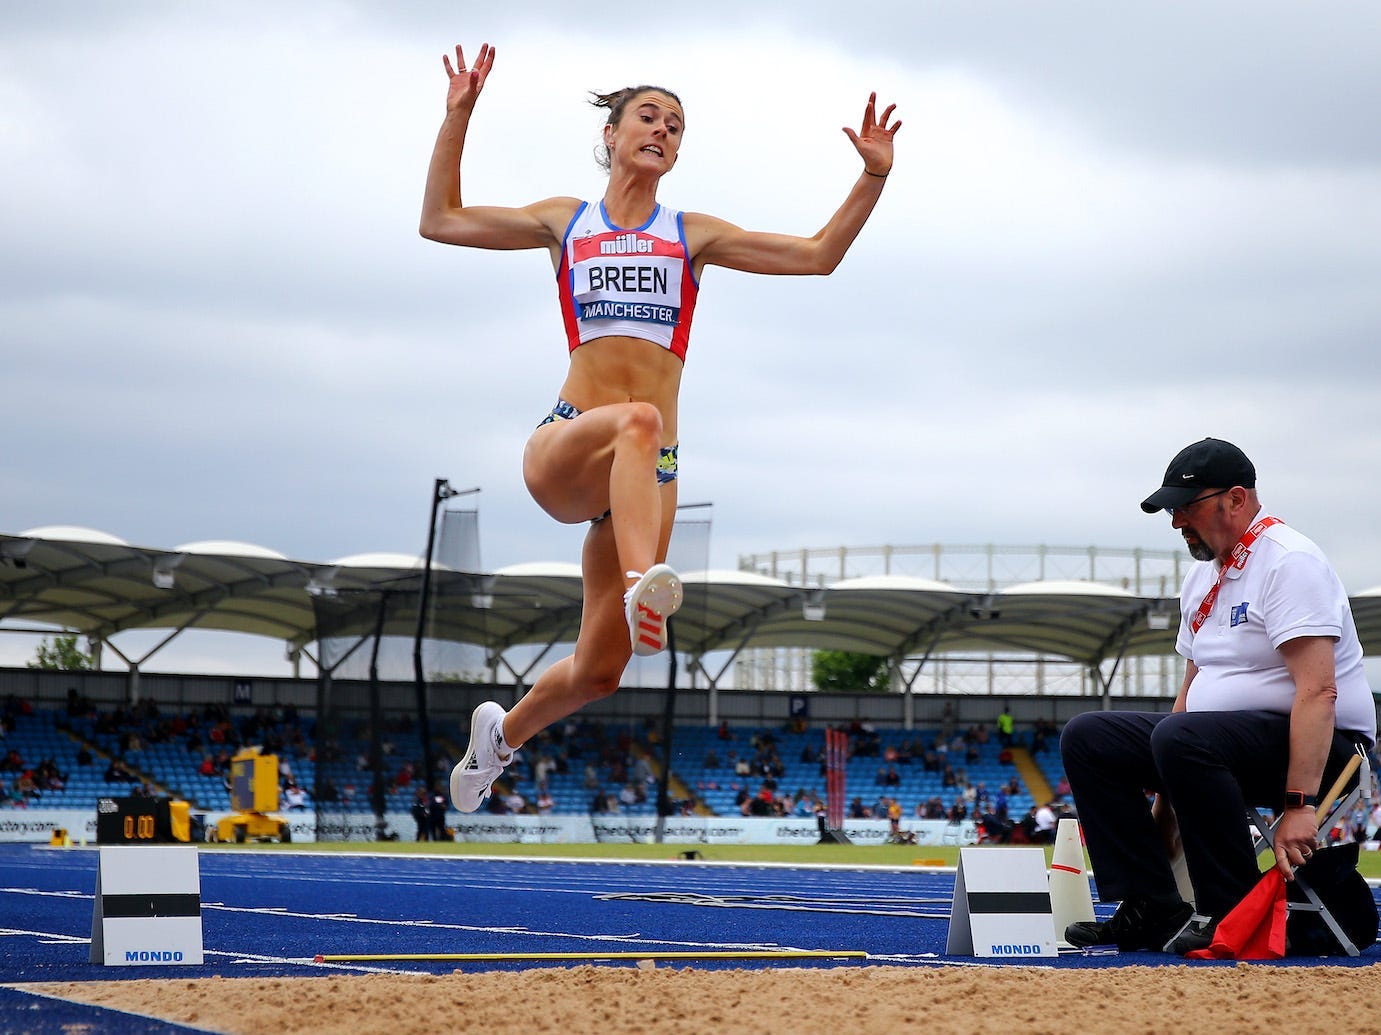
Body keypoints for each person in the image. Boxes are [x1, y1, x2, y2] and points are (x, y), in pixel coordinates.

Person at [424, 43, 900, 813]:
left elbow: (817, 256)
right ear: (610, 136)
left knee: (599, 671)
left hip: (648, 476)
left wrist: (871, 175)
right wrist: (458, 115)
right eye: (648, 116)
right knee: (639, 419)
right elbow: (440, 219)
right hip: (569, 442)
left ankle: (498, 740)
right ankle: (647, 581)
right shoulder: (563, 222)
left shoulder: (692, 234)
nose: (663, 131)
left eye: (676, 126)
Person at [1060, 438, 1376, 953]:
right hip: (1210, 745)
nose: (1176, 522)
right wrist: (1163, 808)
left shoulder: (1289, 562)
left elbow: (1319, 691)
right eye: (1171, 510)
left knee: (1187, 737)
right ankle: (1152, 905)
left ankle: (1229, 910)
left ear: (1235, 498)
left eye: (1186, 508)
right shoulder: (1202, 575)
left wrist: (1300, 804)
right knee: (1090, 735)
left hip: (1324, 749)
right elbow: (1191, 691)